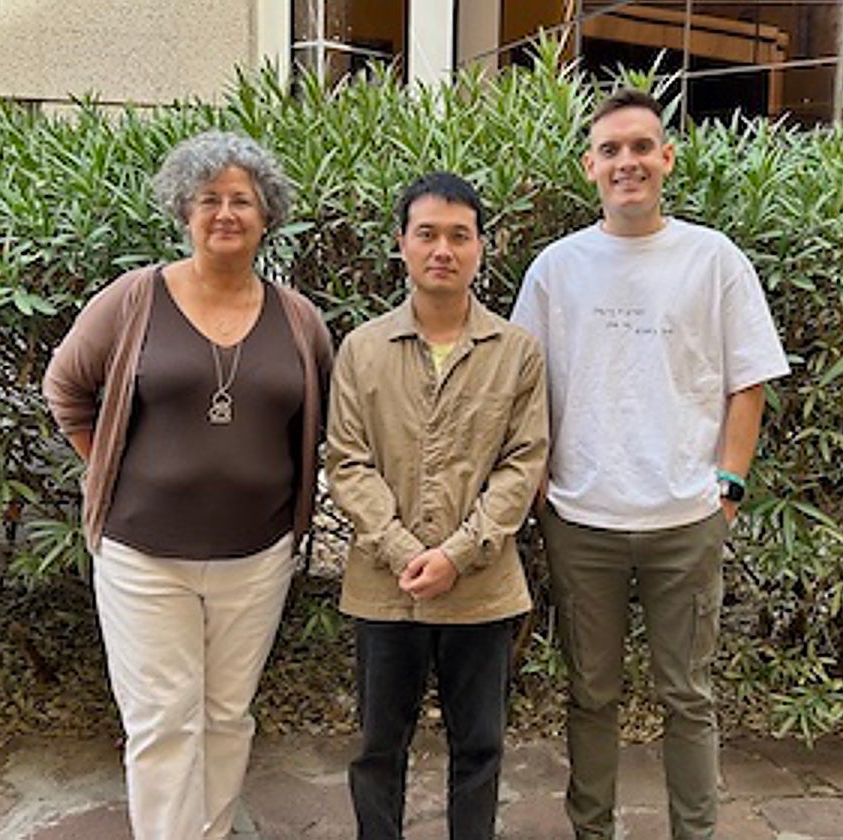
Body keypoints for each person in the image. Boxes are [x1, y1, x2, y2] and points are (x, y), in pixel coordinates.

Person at [511, 88, 790, 840]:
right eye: (611, 151)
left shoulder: (713, 258)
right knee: (591, 695)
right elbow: (522, 384)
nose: (626, 162)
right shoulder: (555, 268)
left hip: (684, 520)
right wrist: (542, 491)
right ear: (589, 168)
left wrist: (727, 487)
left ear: (666, 158)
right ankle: (591, 831)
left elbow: (749, 381)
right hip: (583, 520)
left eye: (641, 147)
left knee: (688, 697)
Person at [42, 130, 333, 840]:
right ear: (183, 211)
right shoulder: (134, 298)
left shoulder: (299, 320)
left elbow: (323, 419)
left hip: (257, 556)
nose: (225, 212)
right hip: (143, 554)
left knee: (228, 716)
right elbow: (66, 389)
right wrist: (107, 466)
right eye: (209, 199)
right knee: (163, 722)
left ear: (268, 216)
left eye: (242, 199)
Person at [326, 172, 549, 840]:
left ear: (482, 247)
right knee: (377, 748)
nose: (442, 250)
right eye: (427, 234)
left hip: (481, 590)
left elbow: (523, 462)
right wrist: (402, 549)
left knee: (479, 746)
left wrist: (457, 555)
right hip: (382, 587)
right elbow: (347, 460)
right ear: (401, 244)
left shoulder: (517, 353)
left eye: (460, 236)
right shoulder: (362, 349)